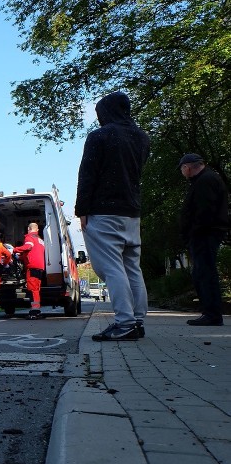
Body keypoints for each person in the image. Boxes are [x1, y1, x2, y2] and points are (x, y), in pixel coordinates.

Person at [75, 91, 150, 341]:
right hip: (132, 212)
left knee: (111, 268)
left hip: (103, 211)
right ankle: (137, 321)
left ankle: (124, 322)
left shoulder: (100, 136)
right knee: (132, 268)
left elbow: (88, 174)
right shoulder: (142, 138)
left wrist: (81, 210)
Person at [178, 153, 230, 326]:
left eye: (182, 169)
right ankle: (210, 313)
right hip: (205, 233)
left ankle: (212, 314)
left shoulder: (205, 181)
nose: (182, 172)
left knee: (205, 273)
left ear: (188, 167)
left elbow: (204, 210)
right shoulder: (205, 179)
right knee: (202, 273)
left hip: (205, 234)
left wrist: (193, 232)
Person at [13, 222, 46, 319]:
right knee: (36, 289)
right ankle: (37, 310)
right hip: (40, 267)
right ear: (37, 230)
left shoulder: (29, 237)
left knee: (32, 289)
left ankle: (34, 311)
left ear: (28, 229)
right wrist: (21, 257)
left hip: (32, 266)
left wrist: (15, 250)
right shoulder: (40, 240)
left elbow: (28, 247)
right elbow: (32, 252)